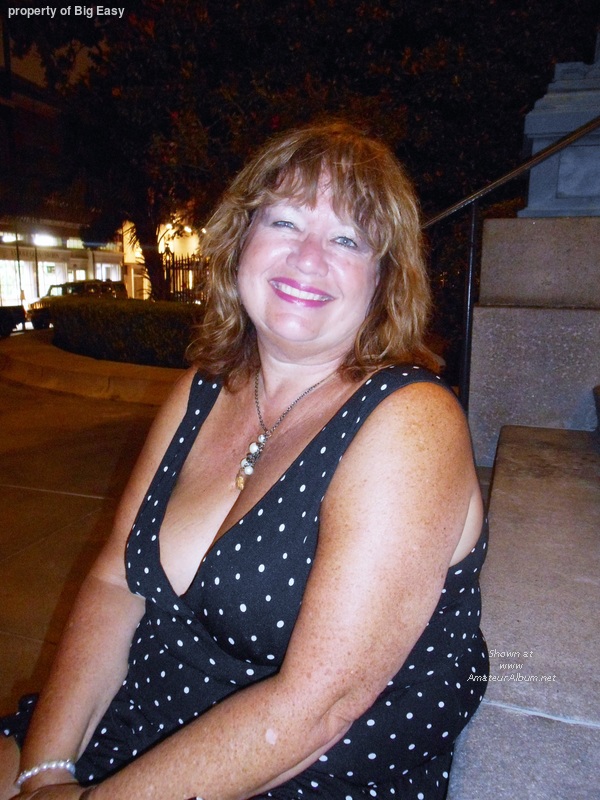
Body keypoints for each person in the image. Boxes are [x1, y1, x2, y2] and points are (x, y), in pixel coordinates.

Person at [0, 119, 488, 800]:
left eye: (347, 239)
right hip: (139, 719)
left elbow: (316, 709)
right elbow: (116, 582)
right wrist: (45, 769)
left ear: (384, 280)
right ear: (239, 241)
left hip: (290, 770)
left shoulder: (410, 422)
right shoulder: (203, 389)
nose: (308, 258)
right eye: (285, 222)